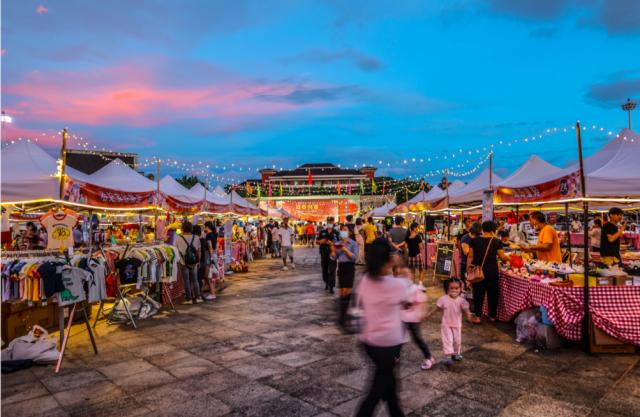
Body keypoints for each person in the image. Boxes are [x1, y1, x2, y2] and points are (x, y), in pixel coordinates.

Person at [355, 238, 409, 417]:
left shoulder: (364, 280)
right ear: (389, 259)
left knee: (389, 386)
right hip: (389, 344)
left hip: (369, 342)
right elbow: (408, 303)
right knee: (376, 392)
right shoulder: (397, 285)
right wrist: (398, 263)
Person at [467, 221, 510, 322]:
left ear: (483, 229)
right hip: (492, 271)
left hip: (478, 270)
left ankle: (477, 317)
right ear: (493, 230)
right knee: (492, 294)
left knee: (478, 293)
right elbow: (502, 257)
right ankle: (492, 316)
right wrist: (510, 258)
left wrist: (468, 269)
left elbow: (470, 256)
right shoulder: (496, 241)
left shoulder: (475, 240)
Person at [428, 278, 473, 365]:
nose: (454, 290)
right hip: (446, 325)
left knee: (457, 340)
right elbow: (436, 308)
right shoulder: (443, 299)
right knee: (447, 340)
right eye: (451, 288)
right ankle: (448, 356)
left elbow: (466, 309)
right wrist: (429, 314)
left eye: (456, 288)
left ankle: (456, 354)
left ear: (460, 289)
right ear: (447, 289)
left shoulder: (461, 300)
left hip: (457, 325)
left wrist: (469, 316)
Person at [400, 275, 433, 370]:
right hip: (403, 317)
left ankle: (429, 357)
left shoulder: (415, 289)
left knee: (417, 339)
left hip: (413, 319)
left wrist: (423, 312)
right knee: (398, 337)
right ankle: (395, 356)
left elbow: (422, 301)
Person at [335, 225, 358, 327]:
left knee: (346, 292)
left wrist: (345, 250)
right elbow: (334, 257)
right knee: (341, 291)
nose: (343, 232)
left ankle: (344, 316)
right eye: (342, 230)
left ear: (350, 232)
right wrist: (334, 250)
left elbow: (354, 257)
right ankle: (343, 315)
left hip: (349, 267)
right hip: (341, 267)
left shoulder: (353, 243)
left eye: (345, 230)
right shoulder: (339, 243)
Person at [176, 221, 203, 304]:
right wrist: (198, 261)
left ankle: (189, 299)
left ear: (183, 228)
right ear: (191, 228)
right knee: (195, 280)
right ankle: (198, 297)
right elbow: (199, 251)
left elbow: (177, 251)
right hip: (194, 262)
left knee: (186, 281)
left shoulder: (178, 239)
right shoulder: (196, 238)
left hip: (183, 262)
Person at [317, 218, 339, 293]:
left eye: (331, 222)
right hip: (324, 253)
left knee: (332, 270)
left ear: (333, 223)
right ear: (327, 223)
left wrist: (332, 243)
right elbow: (317, 241)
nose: (330, 223)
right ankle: (326, 282)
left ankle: (331, 286)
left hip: (333, 253)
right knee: (324, 269)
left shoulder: (337, 232)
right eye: (329, 222)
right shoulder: (322, 232)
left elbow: (341, 242)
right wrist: (321, 241)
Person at [202, 221, 218, 300]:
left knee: (208, 275)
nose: (204, 228)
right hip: (213, 255)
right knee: (208, 275)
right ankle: (210, 290)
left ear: (207, 227)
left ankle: (212, 293)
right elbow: (215, 247)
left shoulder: (208, 235)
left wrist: (211, 258)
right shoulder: (214, 234)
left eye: (204, 227)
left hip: (209, 256)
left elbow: (210, 246)